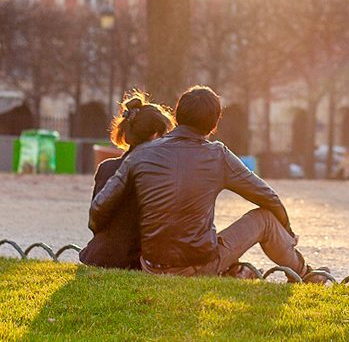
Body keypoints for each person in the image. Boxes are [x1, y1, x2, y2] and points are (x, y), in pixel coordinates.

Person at [89, 85, 327, 281]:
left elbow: (99, 208)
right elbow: (267, 196)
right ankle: (306, 274)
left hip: (151, 265)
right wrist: (287, 230)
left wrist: (97, 231)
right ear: (214, 124)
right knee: (264, 218)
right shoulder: (218, 155)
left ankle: (236, 271)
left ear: (178, 115)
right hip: (198, 265)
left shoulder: (142, 153)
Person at [79, 92, 175, 269]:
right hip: (133, 262)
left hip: (98, 255)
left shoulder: (106, 168)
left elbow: (96, 222)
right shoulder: (158, 175)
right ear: (155, 136)